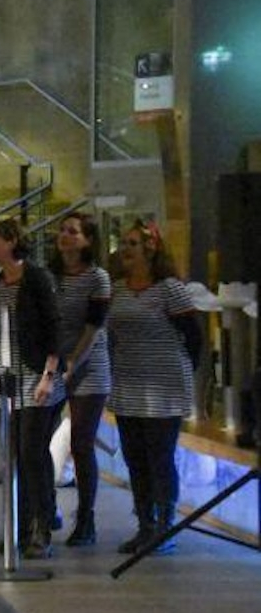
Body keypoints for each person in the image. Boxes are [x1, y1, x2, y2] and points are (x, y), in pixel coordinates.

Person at [107, 220, 202, 556]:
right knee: (135, 457)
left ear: (150, 249)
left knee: (159, 456)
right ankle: (144, 523)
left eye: (132, 243)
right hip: (129, 382)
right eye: (124, 243)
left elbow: (193, 337)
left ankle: (165, 525)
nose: (125, 250)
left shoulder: (170, 289)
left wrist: (182, 371)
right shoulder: (117, 289)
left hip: (163, 385)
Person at [0, 217, 62, 559]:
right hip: (6, 373)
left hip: (35, 373)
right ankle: (17, 526)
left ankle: (41, 527)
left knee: (32, 452)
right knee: (12, 455)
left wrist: (49, 374)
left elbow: (54, 327)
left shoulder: (37, 279)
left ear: (12, 241)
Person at [51, 213, 111, 547]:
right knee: (38, 439)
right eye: (62, 230)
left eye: (72, 232)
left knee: (81, 443)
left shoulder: (97, 278)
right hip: (56, 364)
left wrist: (74, 361)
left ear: (88, 240)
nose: (65, 236)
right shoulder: (52, 277)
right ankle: (43, 509)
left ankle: (86, 518)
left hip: (89, 365)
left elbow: (94, 326)